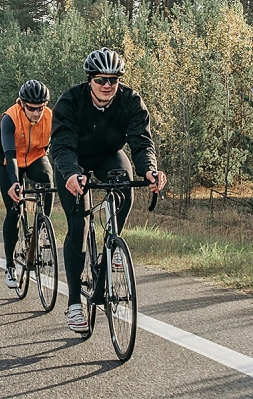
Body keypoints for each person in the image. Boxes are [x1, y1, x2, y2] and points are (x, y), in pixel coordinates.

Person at [50, 48, 167, 332]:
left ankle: (114, 242)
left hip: (108, 155)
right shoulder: (69, 101)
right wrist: (70, 174)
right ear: (90, 79)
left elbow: (141, 142)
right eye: (101, 79)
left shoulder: (130, 101)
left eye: (113, 80)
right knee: (79, 225)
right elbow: (62, 146)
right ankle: (75, 303)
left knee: (125, 184)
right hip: (74, 159)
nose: (107, 85)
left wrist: (150, 170)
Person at [0, 80, 54, 288]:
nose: (37, 113)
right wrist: (14, 183)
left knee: (48, 179)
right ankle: (10, 266)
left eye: (41, 107)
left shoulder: (49, 117)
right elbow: (10, 154)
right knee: (14, 211)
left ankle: (43, 226)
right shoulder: (9, 118)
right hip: (11, 161)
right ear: (22, 104)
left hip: (36, 156)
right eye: (32, 108)